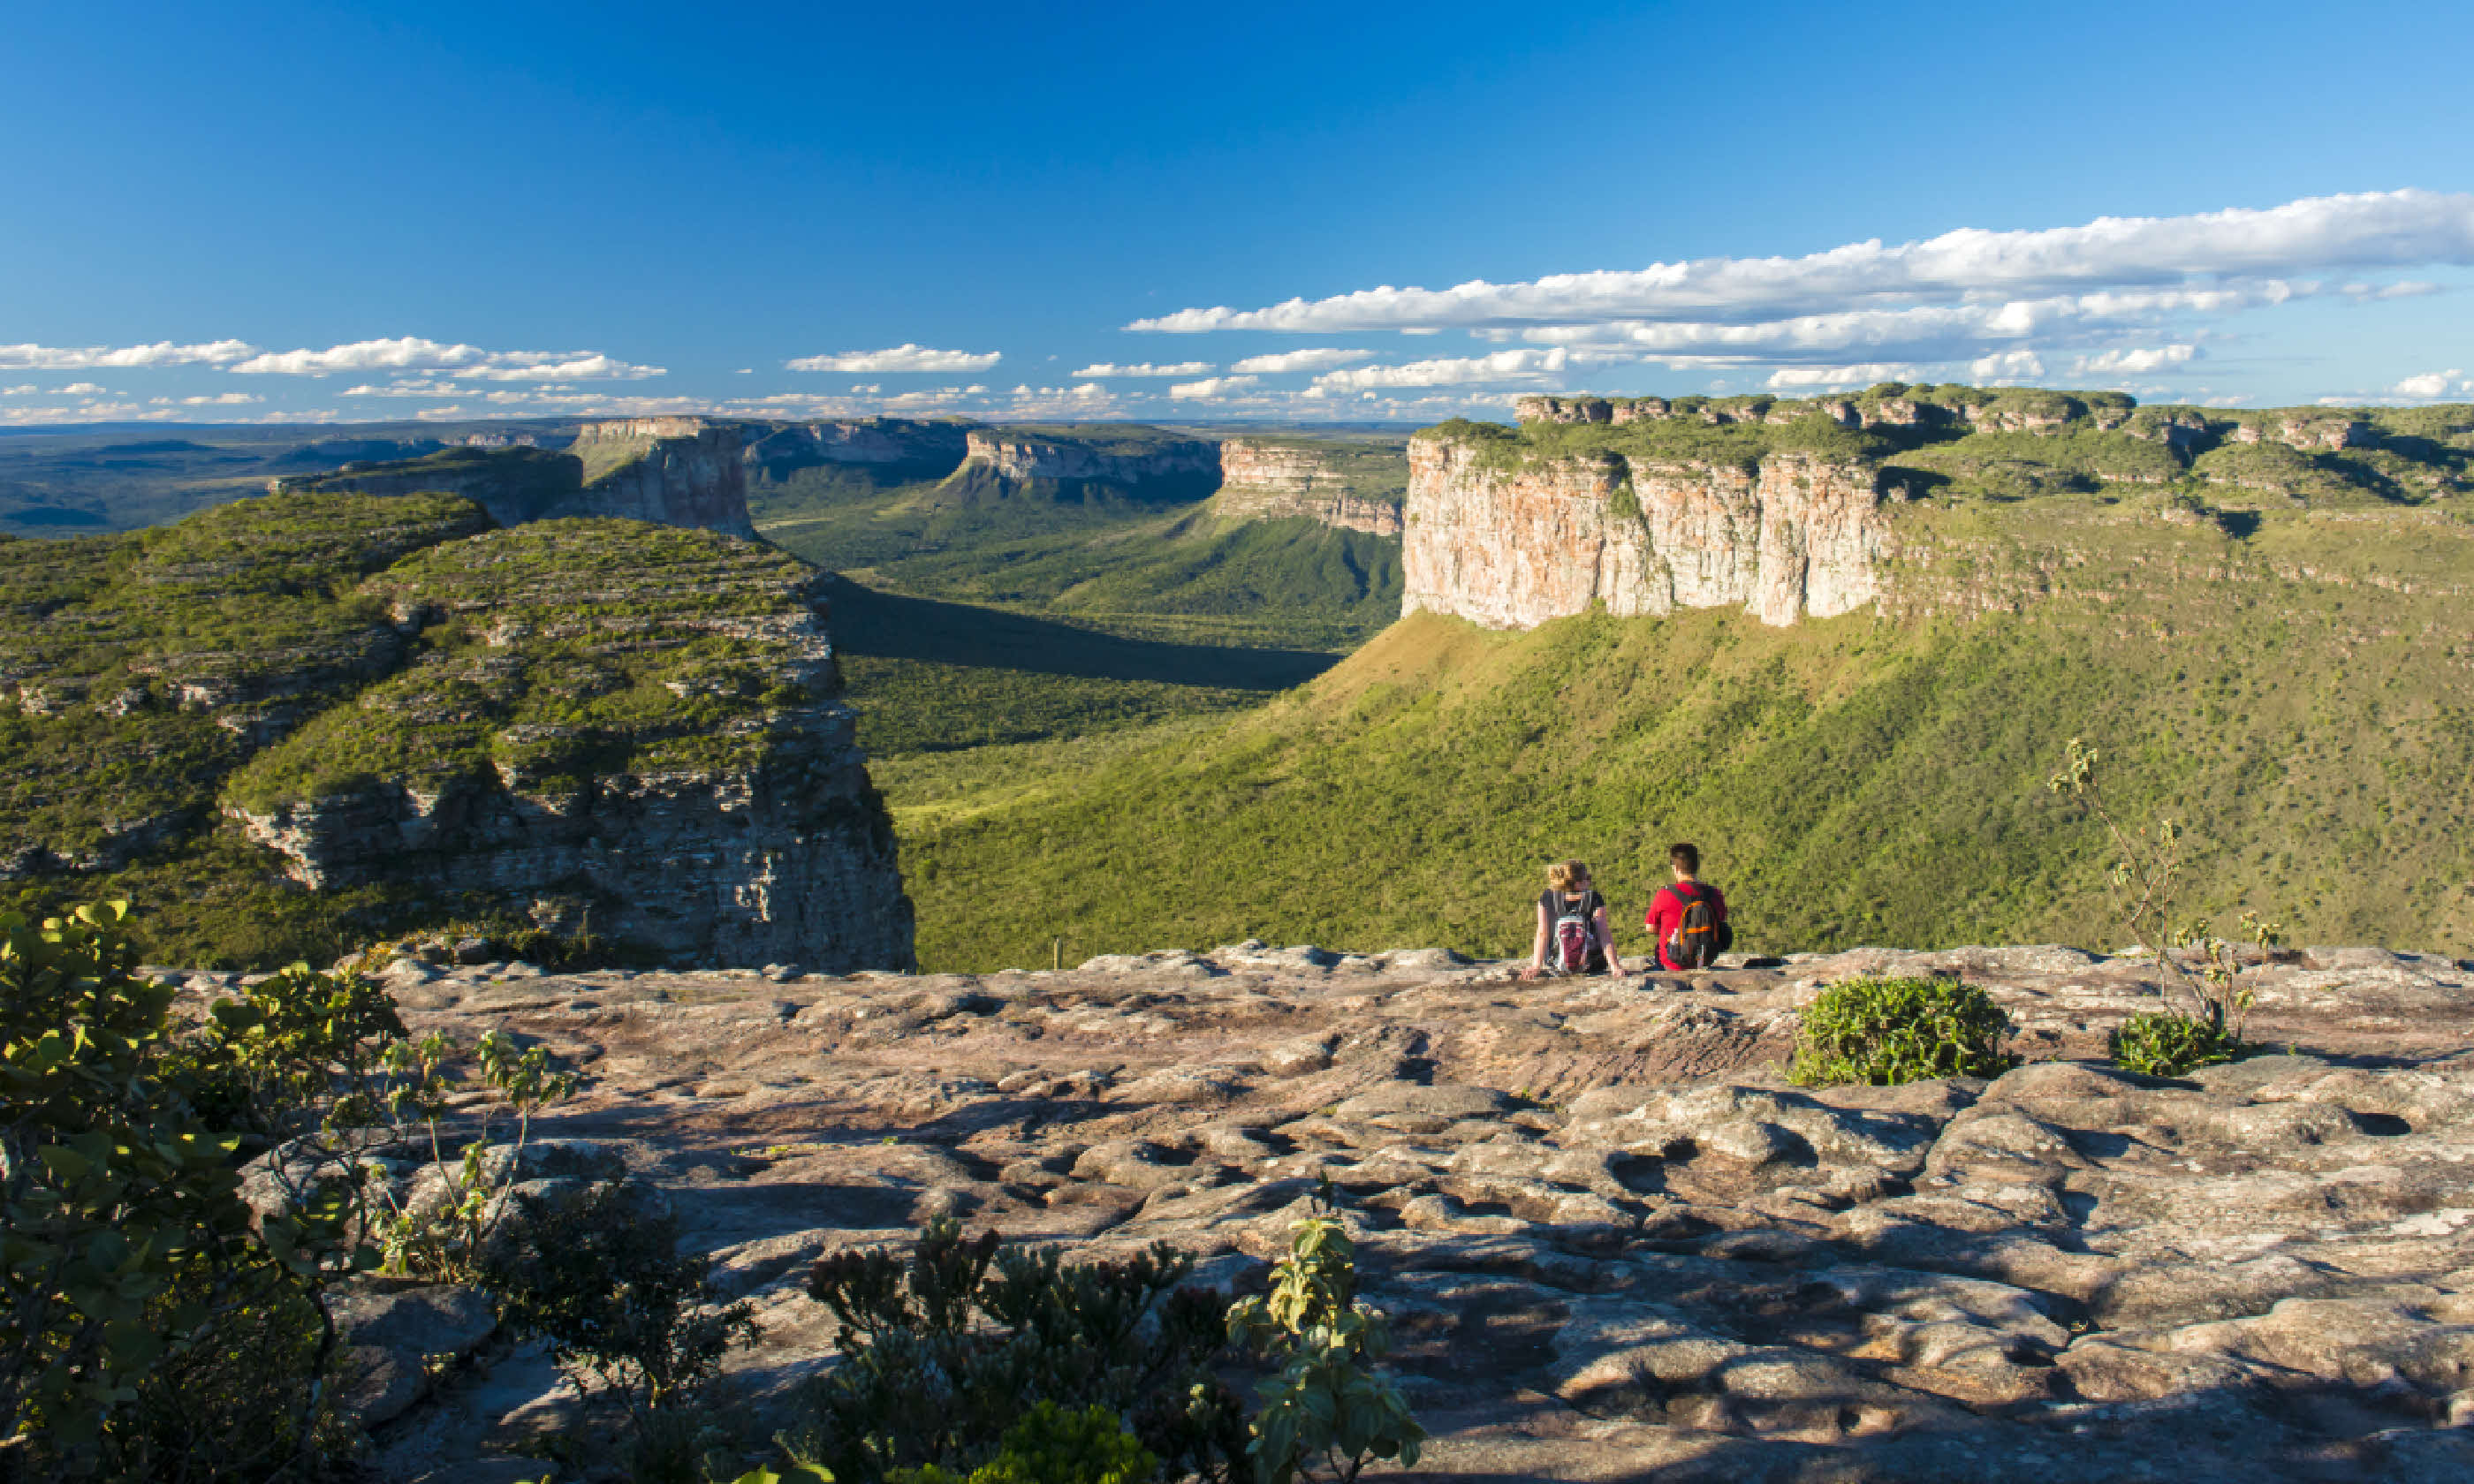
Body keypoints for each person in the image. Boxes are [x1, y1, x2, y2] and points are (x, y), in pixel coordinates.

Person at [1522, 859, 1628, 980]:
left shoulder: (1548, 897)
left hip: (1556, 964)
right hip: (1591, 965)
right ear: (1578, 883)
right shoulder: (1594, 898)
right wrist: (1615, 966)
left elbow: (1542, 933)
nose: (1589, 881)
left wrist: (1536, 966)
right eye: (1587, 877)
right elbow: (1604, 934)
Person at [1645, 842, 1730, 971]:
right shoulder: (1715, 894)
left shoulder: (1665, 894)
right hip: (1704, 960)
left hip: (1672, 962)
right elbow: (1720, 922)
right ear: (1697, 866)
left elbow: (1650, 927)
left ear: (1676, 868)